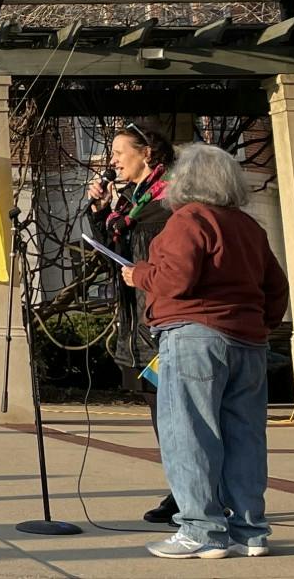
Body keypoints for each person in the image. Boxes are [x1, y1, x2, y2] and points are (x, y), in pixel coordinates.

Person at [121, 143, 288, 561]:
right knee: (245, 437)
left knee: (190, 434)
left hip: (194, 334)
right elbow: (276, 288)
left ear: (186, 181)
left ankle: (201, 530)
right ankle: (249, 530)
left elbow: (175, 279)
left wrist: (139, 274)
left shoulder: (188, 219)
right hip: (248, 340)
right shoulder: (249, 227)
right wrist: (259, 323)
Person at [85, 120, 179, 525]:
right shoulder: (131, 204)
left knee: (176, 413)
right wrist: (100, 212)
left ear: (147, 154)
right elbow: (114, 256)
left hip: (162, 322)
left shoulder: (170, 203)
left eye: (120, 153)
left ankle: (194, 493)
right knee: (161, 413)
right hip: (137, 324)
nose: (113, 162)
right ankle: (182, 488)